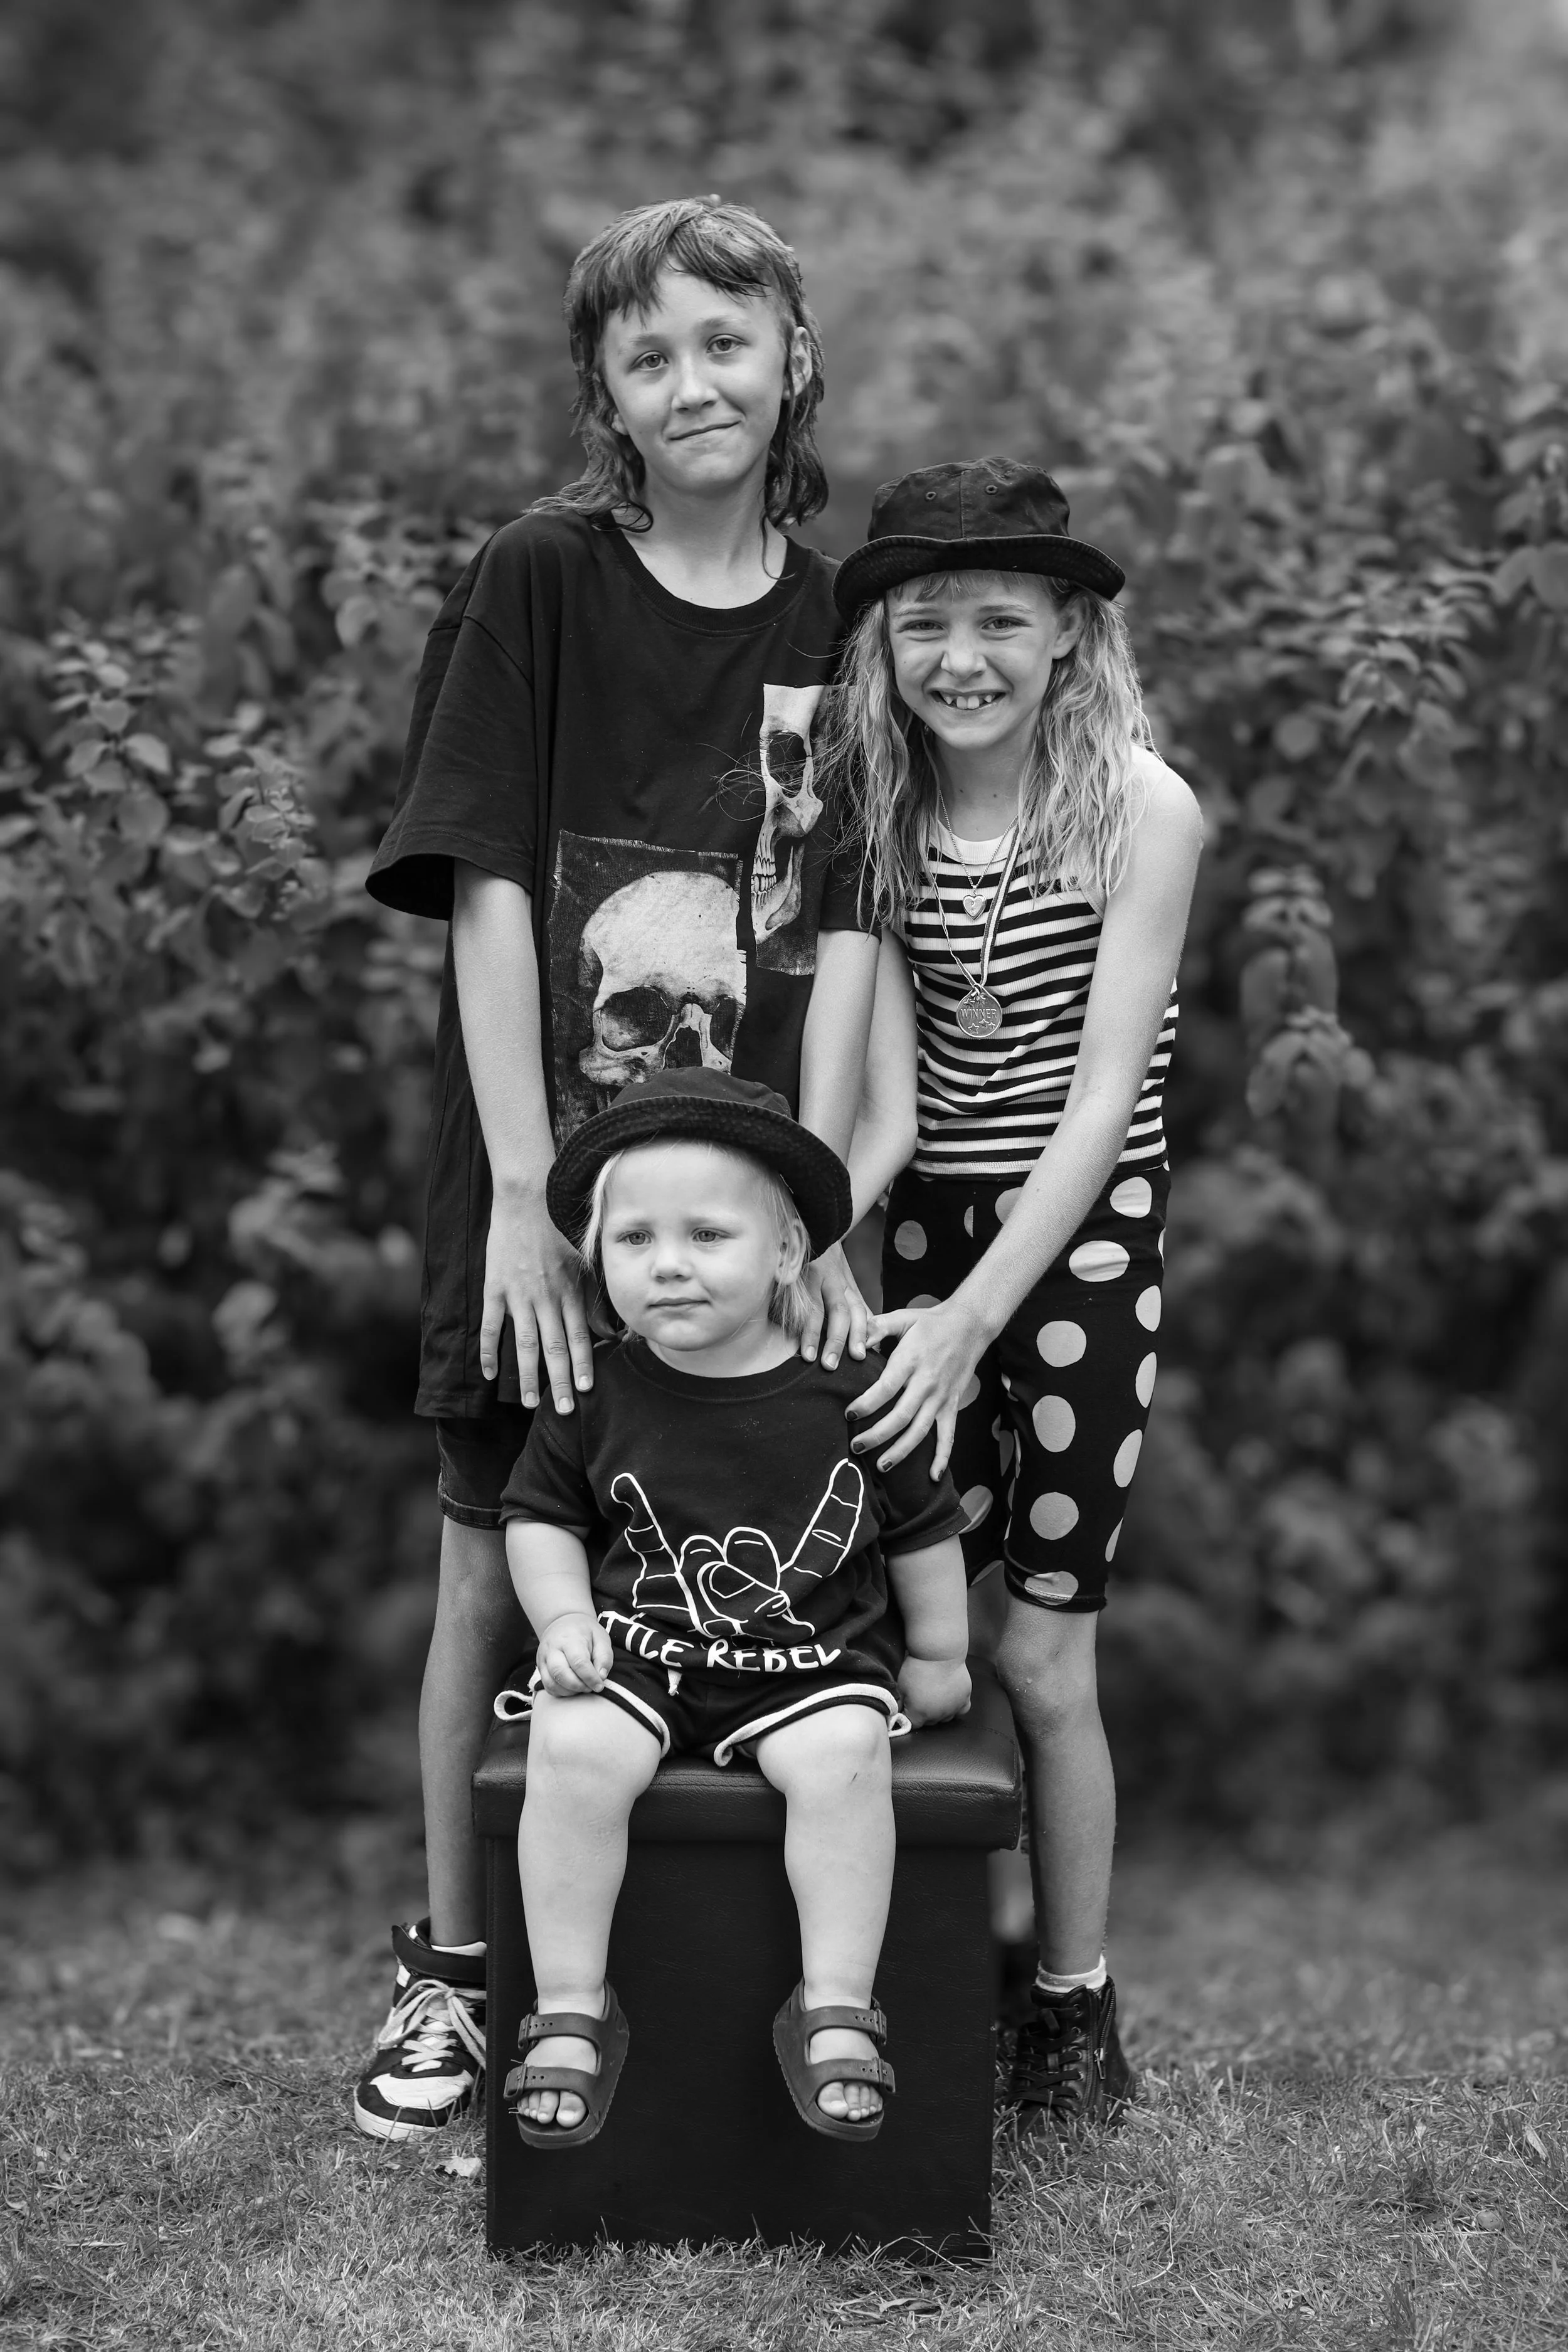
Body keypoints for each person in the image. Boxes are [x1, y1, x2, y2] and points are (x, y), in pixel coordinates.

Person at [352, 198, 879, 2143]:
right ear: (604, 390)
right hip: (539, 1175)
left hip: (748, 1210)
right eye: (647, 355)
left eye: (724, 342)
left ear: (792, 357)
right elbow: (487, 889)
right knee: (488, 1561)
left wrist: (828, 1212)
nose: (692, 383)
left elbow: (836, 928)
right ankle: (449, 1965)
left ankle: (798, 1968)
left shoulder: (842, 625)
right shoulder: (540, 579)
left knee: (765, 1552)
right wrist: (519, 1190)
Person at [823, 456, 1203, 2134]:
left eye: (997, 618)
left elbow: (1104, 1098)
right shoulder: (876, 812)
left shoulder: (1138, 807)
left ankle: (1071, 1999)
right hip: (921, 1231)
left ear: (1065, 633)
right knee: (899, 1622)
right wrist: (818, 1248)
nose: (959, 655)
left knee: (1041, 1653)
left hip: (1080, 1242)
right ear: (883, 644)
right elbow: (890, 1101)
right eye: (923, 623)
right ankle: (928, 1959)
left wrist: (977, 1314)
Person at [493, 1067, 972, 2145]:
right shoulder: (598, 1390)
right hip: (638, 1659)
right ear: (599, 1257)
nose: (667, 1263)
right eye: (634, 1240)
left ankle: (834, 2002)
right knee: (572, 1745)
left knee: (847, 1754)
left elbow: (922, 1527)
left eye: (707, 1235)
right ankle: (570, 2005)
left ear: (788, 1252)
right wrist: (564, 1622)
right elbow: (540, 1519)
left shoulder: (850, 1387)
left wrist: (941, 1653)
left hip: (809, 1671)